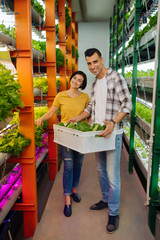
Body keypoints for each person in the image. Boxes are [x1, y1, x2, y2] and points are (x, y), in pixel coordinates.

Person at [69, 48, 132, 233]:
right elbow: (90, 108)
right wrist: (77, 118)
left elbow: (127, 104)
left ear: (102, 60)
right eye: (89, 63)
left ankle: (113, 212)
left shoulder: (115, 78)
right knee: (100, 171)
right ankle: (105, 199)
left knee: (113, 176)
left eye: (95, 62)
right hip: (97, 134)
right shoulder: (95, 84)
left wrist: (113, 122)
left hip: (113, 134)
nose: (92, 66)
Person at [35, 71, 90, 217]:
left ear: (82, 84)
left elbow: (89, 114)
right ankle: (67, 199)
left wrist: (90, 130)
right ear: (71, 79)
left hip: (80, 135)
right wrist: (41, 118)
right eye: (75, 78)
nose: (76, 82)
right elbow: (52, 111)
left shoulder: (85, 97)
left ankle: (73, 190)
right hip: (66, 135)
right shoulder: (61, 96)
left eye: (80, 81)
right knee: (68, 165)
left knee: (78, 164)